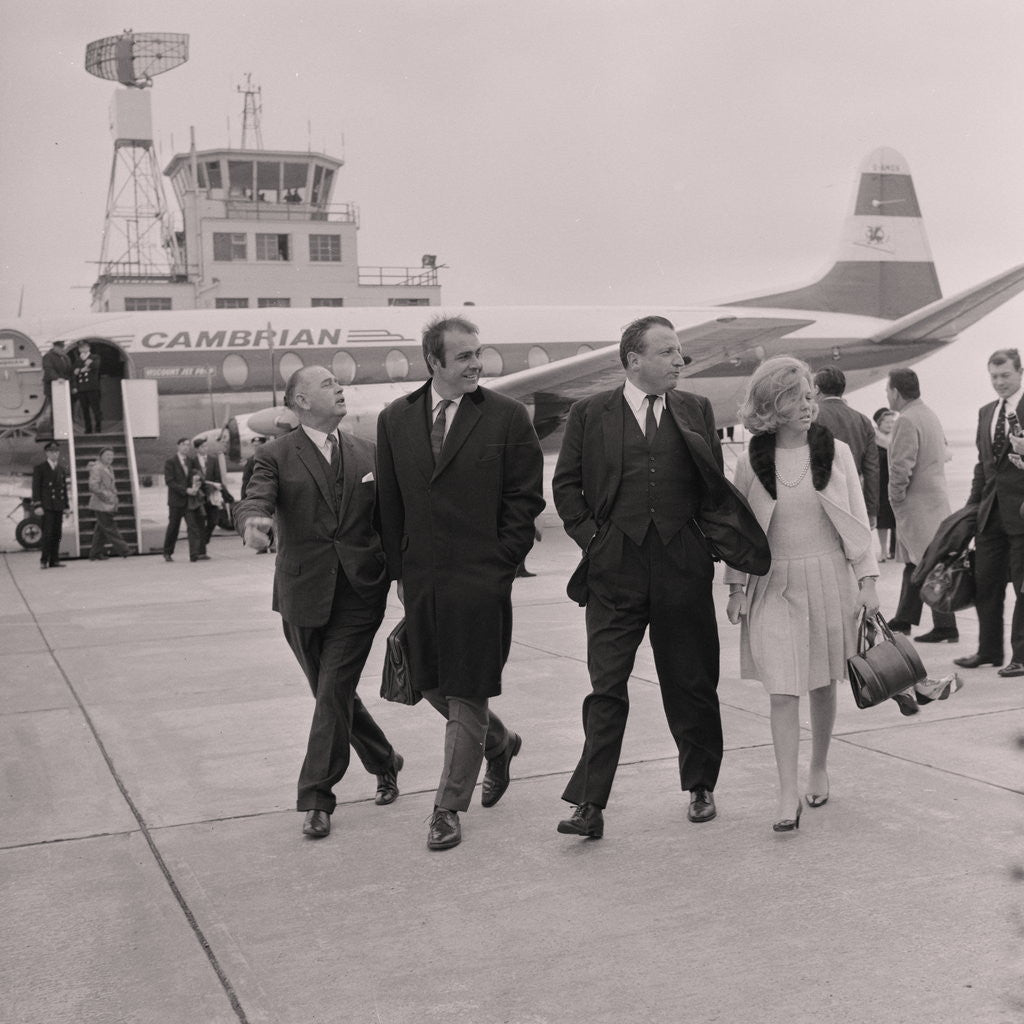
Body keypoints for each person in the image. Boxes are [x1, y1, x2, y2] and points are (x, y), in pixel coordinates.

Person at [552, 316, 768, 840]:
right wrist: (595, 543)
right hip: (614, 570)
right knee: (606, 687)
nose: (680, 361)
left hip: (681, 566)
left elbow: (710, 489)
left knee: (691, 681)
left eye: (679, 352)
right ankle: (589, 803)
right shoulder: (590, 413)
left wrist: (706, 547)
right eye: (669, 352)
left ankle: (700, 785)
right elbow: (566, 486)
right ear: (633, 360)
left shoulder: (694, 409)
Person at [376, 315, 545, 851]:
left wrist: (501, 565)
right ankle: (501, 742)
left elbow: (526, 500)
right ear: (434, 362)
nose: (477, 364)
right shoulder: (394, 420)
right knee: (431, 685)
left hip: (480, 579)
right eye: (464, 356)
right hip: (422, 579)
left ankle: (447, 808)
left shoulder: (507, 417)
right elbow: (390, 504)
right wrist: (399, 572)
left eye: (479, 353)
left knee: (467, 691)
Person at [234, 365, 404, 839]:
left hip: (360, 592)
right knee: (332, 694)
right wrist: (252, 522)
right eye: (327, 383)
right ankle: (385, 759)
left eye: (339, 381)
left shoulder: (367, 453)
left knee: (332, 691)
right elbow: (256, 498)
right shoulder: (275, 455)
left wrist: (403, 576)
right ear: (301, 401)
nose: (339, 387)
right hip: (302, 593)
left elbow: (391, 520)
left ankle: (316, 796)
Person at [724, 357, 879, 831]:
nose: (808, 405)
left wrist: (868, 583)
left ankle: (818, 766)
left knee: (821, 682)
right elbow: (740, 530)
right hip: (773, 583)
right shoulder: (752, 460)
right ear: (773, 405)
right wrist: (735, 587)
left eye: (810, 395)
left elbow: (857, 522)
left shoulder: (836, 454)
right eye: (797, 397)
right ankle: (786, 790)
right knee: (782, 688)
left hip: (828, 577)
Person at [955, 348, 1024, 678]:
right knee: (986, 583)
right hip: (989, 514)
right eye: (994, 376)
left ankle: (1021, 655)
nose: (999, 382)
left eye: (1005, 375)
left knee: (1022, 587)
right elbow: (983, 467)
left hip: (1022, 515)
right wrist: (971, 510)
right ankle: (989, 650)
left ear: (1020, 373)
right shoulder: (986, 413)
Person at [885, 369, 958, 647]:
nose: (887, 395)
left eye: (887, 390)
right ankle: (904, 618)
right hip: (934, 501)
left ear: (896, 392)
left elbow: (901, 465)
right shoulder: (928, 414)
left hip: (917, 505)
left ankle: (946, 625)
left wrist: (895, 497)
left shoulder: (906, 420)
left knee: (928, 564)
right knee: (916, 562)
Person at [813, 366, 879, 525]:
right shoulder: (863, 421)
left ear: (817, 389)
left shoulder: (812, 417)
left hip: (818, 497)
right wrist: (871, 510)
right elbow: (872, 470)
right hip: (852, 496)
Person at [162, 438, 207, 562]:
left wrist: (196, 484)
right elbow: (169, 481)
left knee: (193, 527)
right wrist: (185, 490)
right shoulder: (170, 462)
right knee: (173, 527)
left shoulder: (191, 461)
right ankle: (167, 552)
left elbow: (197, 475)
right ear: (178, 446)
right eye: (183, 445)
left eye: (188, 445)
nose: (186, 447)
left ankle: (194, 554)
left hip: (189, 501)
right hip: (176, 501)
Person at [87, 447, 131, 560]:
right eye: (107, 455)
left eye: (111, 455)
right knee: (110, 527)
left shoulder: (108, 468)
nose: (110, 457)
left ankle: (95, 553)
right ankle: (124, 550)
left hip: (107, 503)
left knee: (101, 529)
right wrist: (106, 497)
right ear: (101, 456)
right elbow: (93, 486)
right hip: (102, 504)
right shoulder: (98, 468)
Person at [32, 440, 70, 570]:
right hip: (47, 506)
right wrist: (37, 505)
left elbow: (63, 489)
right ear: (47, 453)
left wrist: (66, 506)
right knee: (47, 533)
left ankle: (54, 560)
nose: (55, 454)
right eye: (52, 452)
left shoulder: (61, 469)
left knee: (57, 533)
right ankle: (44, 560)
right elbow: (36, 488)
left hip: (58, 506)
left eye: (56, 452)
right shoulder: (40, 468)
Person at [193, 437, 234, 545]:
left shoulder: (213, 460)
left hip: (212, 494)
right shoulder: (192, 461)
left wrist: (216, 490)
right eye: (202, 447)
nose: (205, 448)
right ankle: (201, 546)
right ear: (197, 449)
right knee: (200, 521)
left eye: (206, 446)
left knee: (214, 520)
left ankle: (204, 540)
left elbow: (218, 478)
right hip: (199, 495)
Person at [873, 408, 898, 560]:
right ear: (879, 423)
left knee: (897, 517)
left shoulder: (897, 438)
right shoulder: (873, 439)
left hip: (895, 480)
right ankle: (883, 551)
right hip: (880, 482)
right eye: (887, 422)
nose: (890, 425)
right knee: (882, 518)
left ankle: (895, 550)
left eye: (892, 422)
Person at [72, 342, 102, 434]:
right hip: (82, 388)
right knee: (85, 410)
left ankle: (98, 428)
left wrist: (86, 364)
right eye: (81, 348)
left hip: (92, 387)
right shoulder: (78, 360)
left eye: (84, 347)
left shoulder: (94, 357)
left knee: (96, 409)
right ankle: (88, 429)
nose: (82, 349)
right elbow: (74, 374)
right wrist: (75, 386)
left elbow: (95, 366)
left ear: (89, 348)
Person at [41, 340, 72, 413]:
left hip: (64, 387)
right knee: (55, 409)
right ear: (55, 347)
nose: (62, 349)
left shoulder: (65, 357)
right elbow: (48, 369)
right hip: (53, 387)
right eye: (60, 347)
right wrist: (57, 378)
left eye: (62, 347)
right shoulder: (48, 356)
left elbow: (69, 370)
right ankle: (54, 423)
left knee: (65, 409)